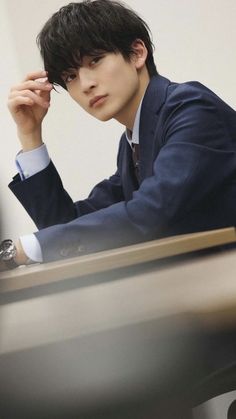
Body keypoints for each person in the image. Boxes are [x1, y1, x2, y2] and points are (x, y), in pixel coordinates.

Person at [2, 0, 236, 269]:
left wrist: (23, 249)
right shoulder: (132, 143)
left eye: (96, 60)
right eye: (70, 76)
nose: (86, 84)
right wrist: (30, 135)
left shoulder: (192, 110)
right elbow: (66, 227)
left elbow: (149, 213)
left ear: (137, 53)